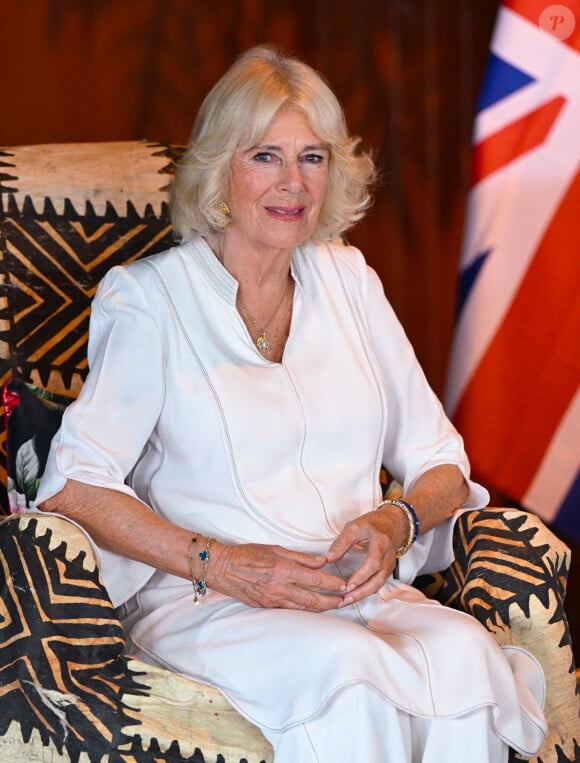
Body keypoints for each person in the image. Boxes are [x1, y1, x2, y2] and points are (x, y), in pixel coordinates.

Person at [37, 44, 547, 762]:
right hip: (211, 599)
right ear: (222, 169)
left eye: (312, 157)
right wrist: (221, 562)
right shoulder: (150, 299)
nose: (294, 183)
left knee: (463, 650)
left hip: (347, 590)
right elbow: (74, 487)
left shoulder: (349, 280)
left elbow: (443, 466)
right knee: (347, 670)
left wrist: (394, 520)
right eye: (266, 156)